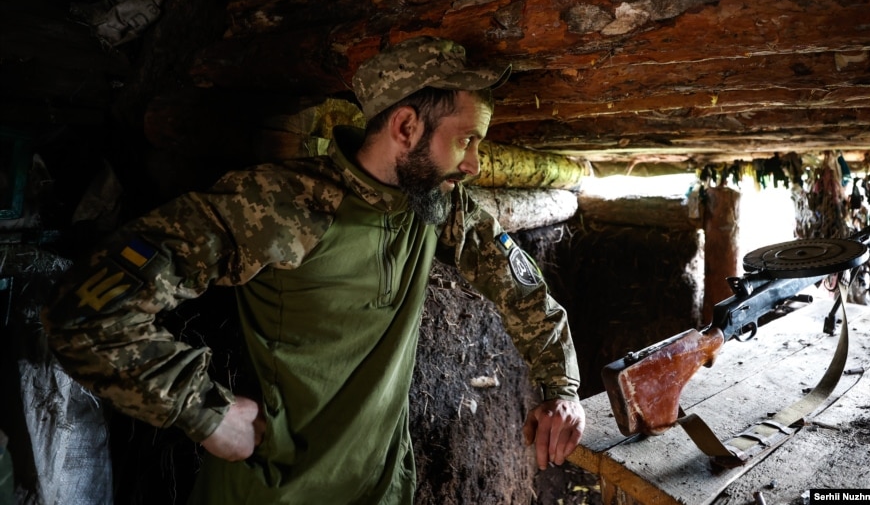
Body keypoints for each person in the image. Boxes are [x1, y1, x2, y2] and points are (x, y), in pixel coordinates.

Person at [42, 36, 585, 504]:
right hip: (274, 490)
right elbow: (86, 312)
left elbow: (524, 291)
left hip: (381, 487)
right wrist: (203, 411)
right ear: (405, 126)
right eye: (466, 140)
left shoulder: (437, 206)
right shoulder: (280, 203)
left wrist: (561, 386)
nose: (473, 165)